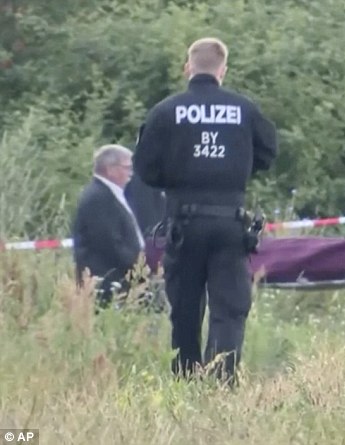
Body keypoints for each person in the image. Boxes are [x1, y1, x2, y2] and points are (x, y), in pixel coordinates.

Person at [133, 37, 278, 383]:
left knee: (184, 308)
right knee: (229, 309)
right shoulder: (244, 109)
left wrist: (178, 177)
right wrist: (233, 169)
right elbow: (268, 154)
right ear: (222, 70)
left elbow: (144, 168)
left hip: (184, 223)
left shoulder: (166, 111)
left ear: (188, 68)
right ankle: (222, 383)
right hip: (230, 222)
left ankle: (185, 379)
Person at [72, 144, 145, 308]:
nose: (131, 174)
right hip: (107, 283)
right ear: (110, 169)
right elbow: (110, 243)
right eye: (127, 168)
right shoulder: (98, 198)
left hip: (119, 280)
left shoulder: (109, 194)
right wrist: (139, 268)